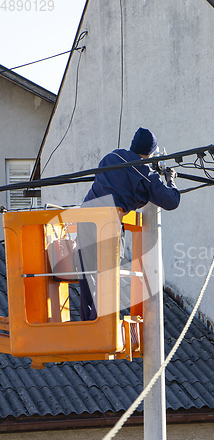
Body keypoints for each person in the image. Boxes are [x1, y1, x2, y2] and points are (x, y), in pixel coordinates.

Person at [77, 127, 180, 321]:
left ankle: (87, 326)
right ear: (151, 152)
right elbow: (172, 201)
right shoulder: (147, 175)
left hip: (85, 217)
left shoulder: (112, 156)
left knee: (87, 276)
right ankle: (99, 325)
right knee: (108, 277)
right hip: (108, 224)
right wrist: (170, 180)